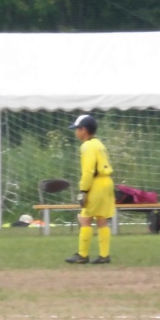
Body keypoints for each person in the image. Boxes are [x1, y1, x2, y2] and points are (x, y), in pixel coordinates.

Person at [65, 114, 115, 265]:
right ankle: (104, 255)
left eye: (77, 129)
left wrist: (84, 190)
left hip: (96, 184)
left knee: (85, 218)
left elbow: (88, 171)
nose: (76, 132)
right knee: (102, 219)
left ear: (84, 130)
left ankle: (82, 254)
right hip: (107, 182)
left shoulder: (87, 146)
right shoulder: (99, 144)